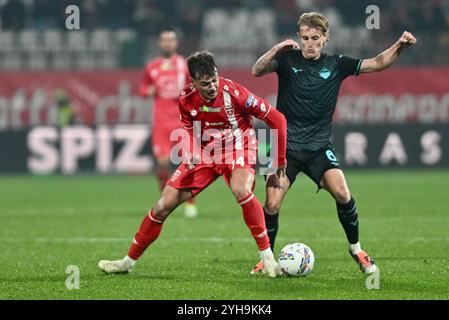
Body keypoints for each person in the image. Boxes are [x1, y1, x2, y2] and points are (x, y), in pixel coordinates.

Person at [250, 12, 417, 275]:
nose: (309, 43)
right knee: (271, 204)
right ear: (299, 38)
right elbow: (257, 70)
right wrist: (277, 48)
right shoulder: (285, 60)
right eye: (304, 38)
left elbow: (378, 63)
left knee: (342, 193)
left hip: (318, 147)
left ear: (325, 38)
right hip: (282, 146)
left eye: (315, 38)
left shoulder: (338, 64)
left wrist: (400, 45)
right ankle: (267, 258)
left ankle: (357, 249)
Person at [98, 50, 287, 277]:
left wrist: (279, 160)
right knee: (161, 207)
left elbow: (277, 118)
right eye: (205, 83)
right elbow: (188, 128)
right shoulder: (186, 98)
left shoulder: (235, 93)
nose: (212, 87)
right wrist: (192, 152)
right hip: (206, 155)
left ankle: (267, 258)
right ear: (193, 82)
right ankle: (126, 263)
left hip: (239, 148)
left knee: (241, 189)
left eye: (214, 80)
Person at [139, 27, 198, 218]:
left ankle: (190, 202)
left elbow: (194, 88)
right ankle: (167, 200)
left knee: (188, 162)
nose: (167, 43)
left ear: (175, 43)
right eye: (163, 40)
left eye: (170, 40)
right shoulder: (152, 66)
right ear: (159, 43)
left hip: (181, 121)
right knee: (163, 164)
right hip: (161, 122)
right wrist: (149, 91)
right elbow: (143, 89)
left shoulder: (184, 64)